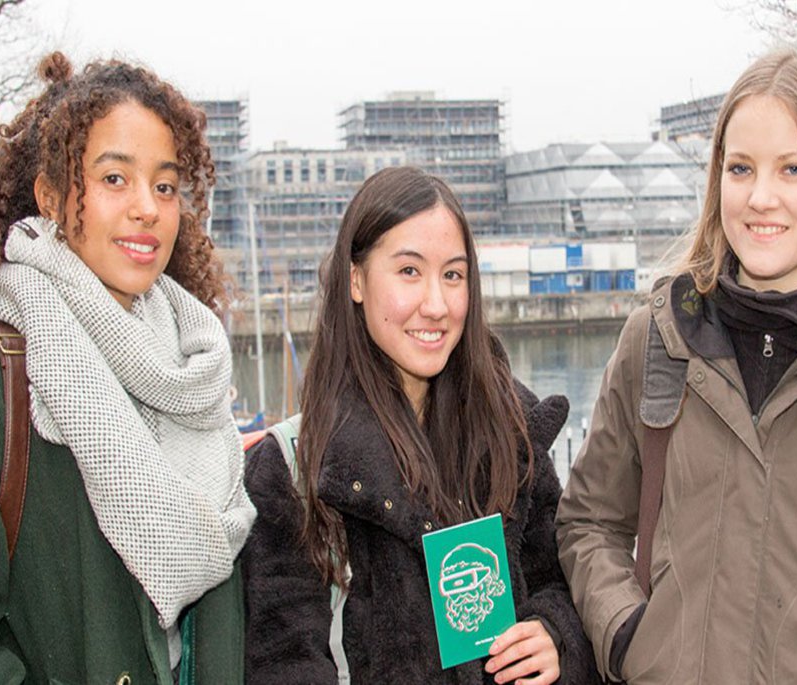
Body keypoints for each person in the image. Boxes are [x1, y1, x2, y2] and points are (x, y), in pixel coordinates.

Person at [556, 50, 797, 684]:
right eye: (740, 168)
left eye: (793, 168)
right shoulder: (657, 338)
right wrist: (628, 635)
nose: (760, 197)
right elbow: (588, 523)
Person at [0, 52, 255, 684]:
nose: (147, 208)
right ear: (50, 195)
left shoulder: (193, 374)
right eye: (114, 179)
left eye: (165, 185)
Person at [243, 166, 601, 684]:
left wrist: (556, 635)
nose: (436, 305)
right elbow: (285, 659)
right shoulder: (297, 470)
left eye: (453, 276)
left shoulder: (511, 436)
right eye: (409, 271)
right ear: (356, 279)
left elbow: (559, 577)